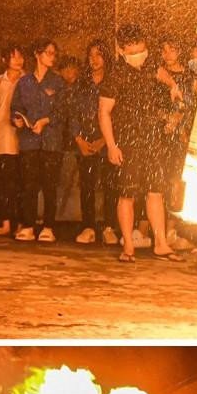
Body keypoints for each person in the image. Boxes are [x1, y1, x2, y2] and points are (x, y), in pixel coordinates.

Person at [99, 25, 181, 262]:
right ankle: (128, 247)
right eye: (133, 52)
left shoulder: (149, 65)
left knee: (156, 192)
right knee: (127, 194)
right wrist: (112, 145)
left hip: (152, 138)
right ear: (122, 51)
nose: (139, 56)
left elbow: (160, 73)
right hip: (127, 143)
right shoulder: (115, 76)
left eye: (142, 50)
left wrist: (173, 86)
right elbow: (104, 112)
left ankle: (161, 244)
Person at [11, 39, 64, 242]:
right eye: (48, 53)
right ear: (37, 54)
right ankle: (28, 225)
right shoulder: (24, 83)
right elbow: (16, 107)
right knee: (29, 185)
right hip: (29, 141)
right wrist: (16, 120)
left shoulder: (57, 82)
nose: (51, 57)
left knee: (49, 185)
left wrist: (45, 121)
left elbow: (62, 111)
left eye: (53, 53)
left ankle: (48, 226)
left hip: (51, 141)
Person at [65, 41, 112, 245]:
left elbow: (117, 114)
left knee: (111, 186)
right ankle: (89, 226)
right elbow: (72, 113)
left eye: (99, 55)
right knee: (87, 186)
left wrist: (105, 140)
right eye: (91, 55)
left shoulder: (113, 82)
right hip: (84, 143)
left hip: (107, 143)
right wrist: (78, 139)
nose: (94, 59)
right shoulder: (81, 84)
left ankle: (110, 227)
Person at [0, 44, 26, 237]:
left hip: (21, 140)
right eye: (13, 57)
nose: (18, 60)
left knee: (20, 184)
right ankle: (6, 223)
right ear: (4, 60)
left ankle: (20, 223)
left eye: (20, 57)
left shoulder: (28, 81)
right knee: (3, 184)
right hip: (1, 138)